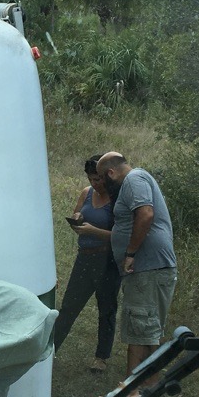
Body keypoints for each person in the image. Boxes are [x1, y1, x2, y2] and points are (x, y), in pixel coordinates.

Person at [96, 152, 177, 397]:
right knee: (148, 328)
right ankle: (150, 386)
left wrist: (130, 252)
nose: (100, 184)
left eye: (101, 178)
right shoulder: (136, 181)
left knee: (140, 328)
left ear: (110, 173)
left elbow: (146, 215)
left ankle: (131, 390)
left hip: (147, 267)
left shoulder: (134, 179)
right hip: (150, 269)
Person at [52, 155, 121, 373]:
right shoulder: (86, 193)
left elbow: (121, 236)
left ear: (108, 176)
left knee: (106, 307)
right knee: (69, 305)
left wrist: (93, 231)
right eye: (92, 179)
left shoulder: (118, 198)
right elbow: (77, 213)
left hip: (107, 259)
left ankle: (101, 357)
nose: (95, 184)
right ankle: (50, 349)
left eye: (99, 179)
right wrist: (77, 218)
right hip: (85, 256)